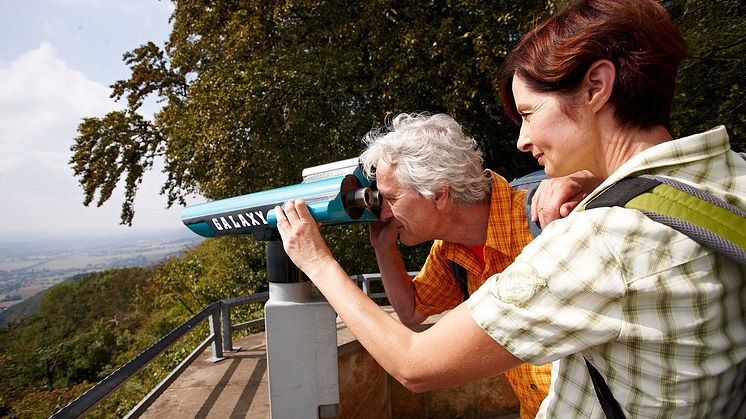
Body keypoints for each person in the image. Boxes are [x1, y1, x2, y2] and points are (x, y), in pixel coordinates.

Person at [274, 0, 746, 417]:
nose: (521, 140)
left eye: (527, 113)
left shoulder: (587, 235)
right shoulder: (725, 175)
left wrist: (317, 262)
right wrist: (598, 179)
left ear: (596, 86)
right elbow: (414, 310)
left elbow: (414, 364)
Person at [360, 112, 563, 418]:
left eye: (391, 198)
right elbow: (411, 310)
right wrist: (383, 248)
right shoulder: (449, 250)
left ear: (439, 194)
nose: (384, 213)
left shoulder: (546, 217)